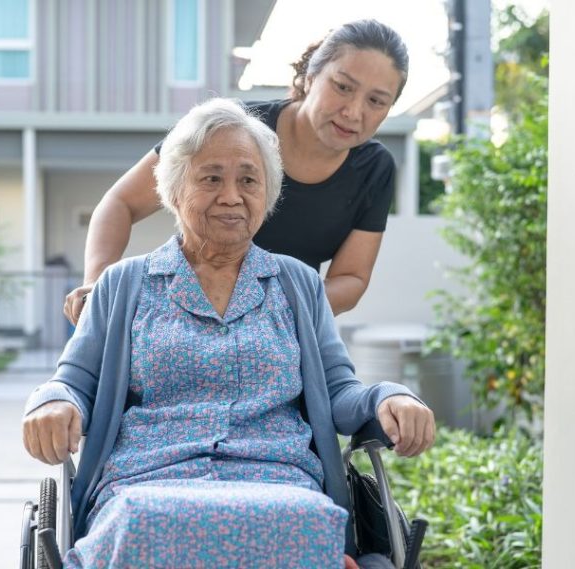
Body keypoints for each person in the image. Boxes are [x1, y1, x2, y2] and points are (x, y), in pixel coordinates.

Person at [24, 98, 434, 568]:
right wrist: (52, 400)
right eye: (211, 178)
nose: (232, 196)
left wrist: (390, 397)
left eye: (248, 180)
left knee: (305, 519)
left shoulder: (297, 283)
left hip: (279, 483)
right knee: (142, 519)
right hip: (149, 482)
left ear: (268, 195)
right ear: (175, 190)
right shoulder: (124, 284)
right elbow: (73, 380)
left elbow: (340, 389)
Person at [63, 19, 409, 324]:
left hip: (285, 327)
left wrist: (270, 310)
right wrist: (97, 284)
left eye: (376, 101)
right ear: (310, 77)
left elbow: (351, 278)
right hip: (182, 316)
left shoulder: (374, 169)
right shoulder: (230, 128)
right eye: (343, 87)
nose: (353, 112)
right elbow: (120, 202)